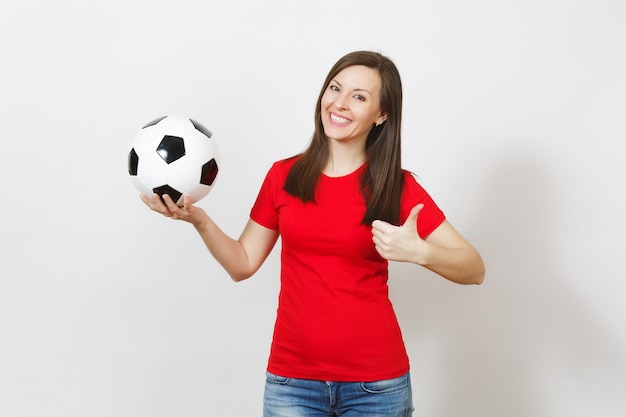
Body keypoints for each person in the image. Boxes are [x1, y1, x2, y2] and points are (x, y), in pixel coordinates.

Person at [141, 50, 485, 417]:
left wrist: (420, 252)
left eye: (359, 96)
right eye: (335, 88)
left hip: (376, 387)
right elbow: (242, 264)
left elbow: (474, 268)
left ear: (381, 114)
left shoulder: (396, 186)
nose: (339, 103)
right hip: (292, 384)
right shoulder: (283, 176)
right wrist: (201, 221)